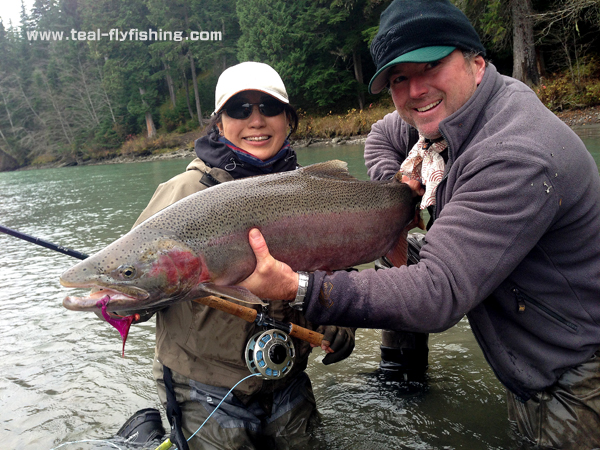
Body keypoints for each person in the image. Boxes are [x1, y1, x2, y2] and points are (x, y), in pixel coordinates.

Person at [236, 1, 600, 448]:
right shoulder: (450, 114)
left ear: (477, 63)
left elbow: (438, 291)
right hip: (533, 353)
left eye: (431, 65)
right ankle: (402, 371)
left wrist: (301, 288)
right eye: (398, 79)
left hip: (577, 371)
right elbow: (382, 135)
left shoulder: (515, 152)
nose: (416, 90)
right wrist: (398, 192)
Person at [131, 61, 355, 450]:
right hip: (204, 392)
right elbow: (133, 274)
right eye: (239, 109)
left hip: (288, 380)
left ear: (288, 120)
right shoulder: (182, 192)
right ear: (219, 124)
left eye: (269, 108)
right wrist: (123, 303)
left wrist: (343, 321)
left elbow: (344, 268)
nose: (256, 120)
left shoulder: (316, 189)